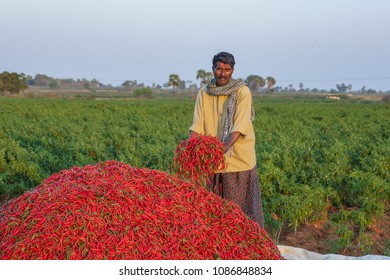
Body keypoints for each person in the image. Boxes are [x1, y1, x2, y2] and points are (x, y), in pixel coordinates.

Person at [189, 51, 264, 228]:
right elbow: (197, 124)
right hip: (212, 160)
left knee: (239, 209)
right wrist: (191, 146)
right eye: (219, 69)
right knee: (211, 208)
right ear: (212, 69)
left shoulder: (242, 92)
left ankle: (247, 239)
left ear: (233, 70)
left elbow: (239, 125)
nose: (222, 73)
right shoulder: (204, 93)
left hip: (237, 159)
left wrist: (225, 146)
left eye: (227, 69)